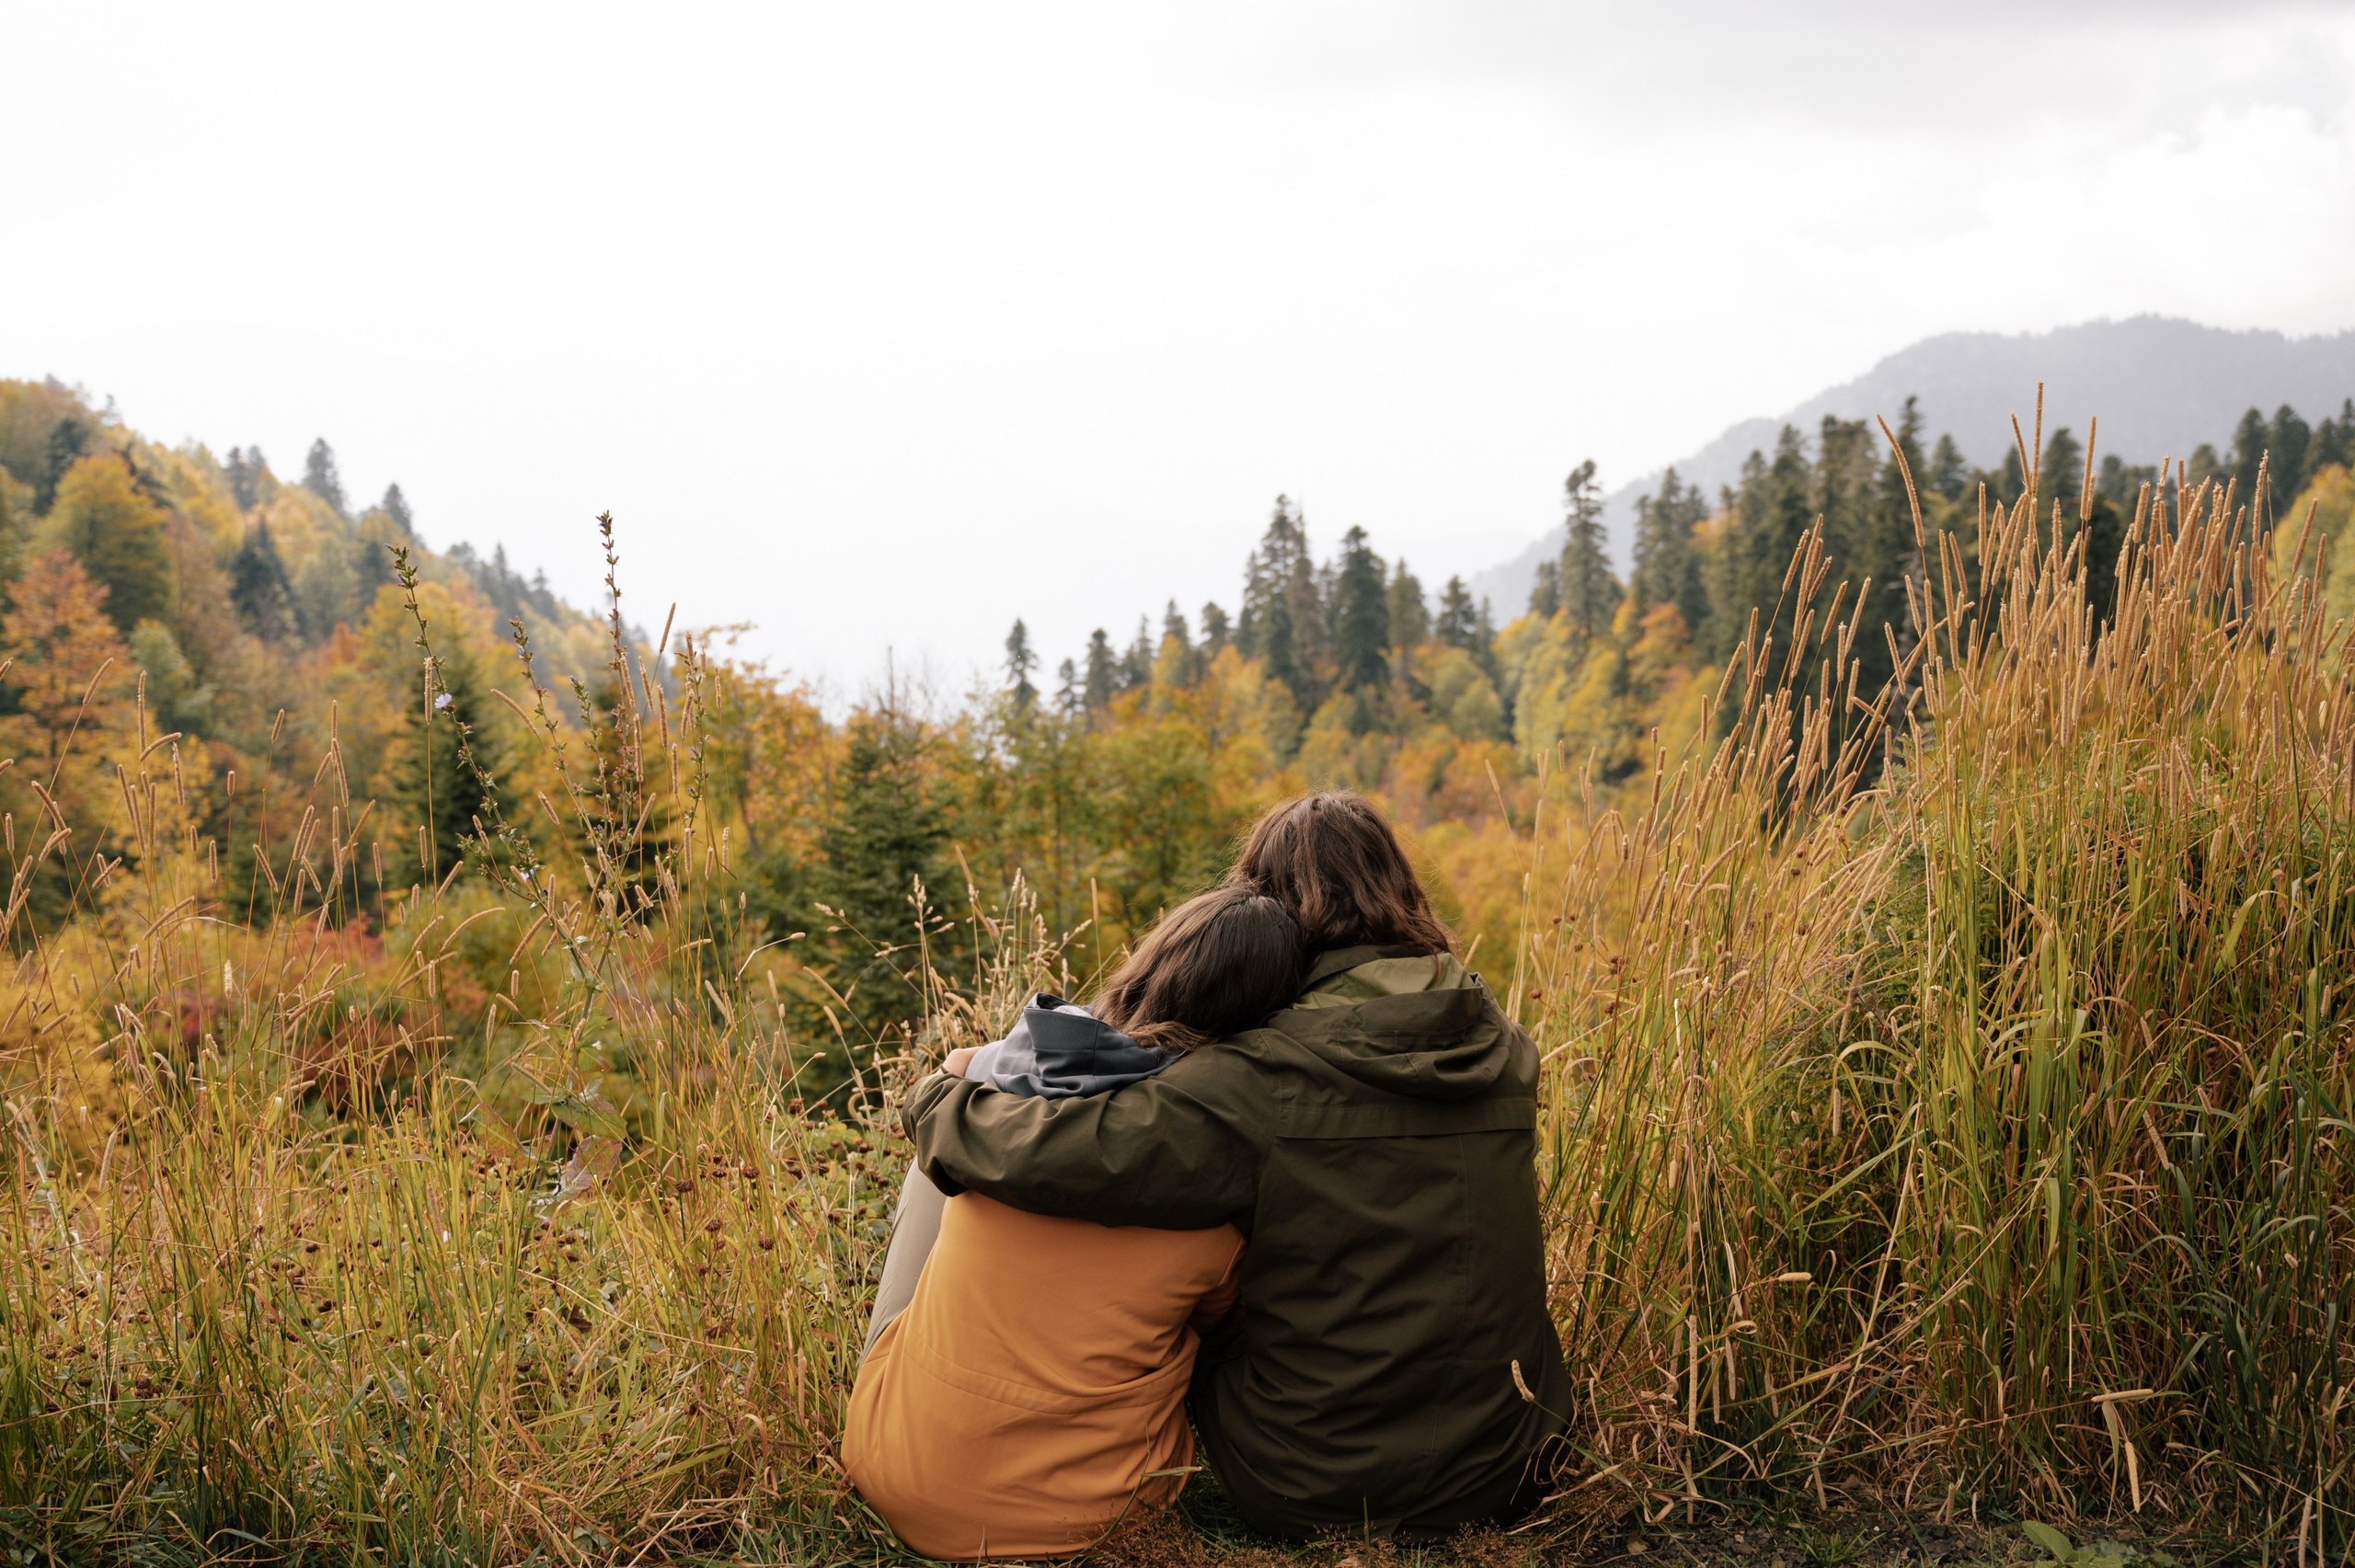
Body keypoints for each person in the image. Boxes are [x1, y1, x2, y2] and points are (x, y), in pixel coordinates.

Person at [901, 791, 1572, 1540]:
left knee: (1192, 1268)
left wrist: (938, 1097)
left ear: (1271, 911)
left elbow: (1059, 1152)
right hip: (1516, 1459)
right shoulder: (1504, 1044)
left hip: (1315, 1484)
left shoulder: (1263, 1075)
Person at [843, 887, 1309, 1562]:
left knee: (936, 1164)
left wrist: (980, 1064)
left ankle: (929, 1400)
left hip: (894, 1472)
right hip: (1097, 1516)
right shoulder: (1218, 1187)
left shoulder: (998, 1110)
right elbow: (1223, 1326)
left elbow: (952, 1079)